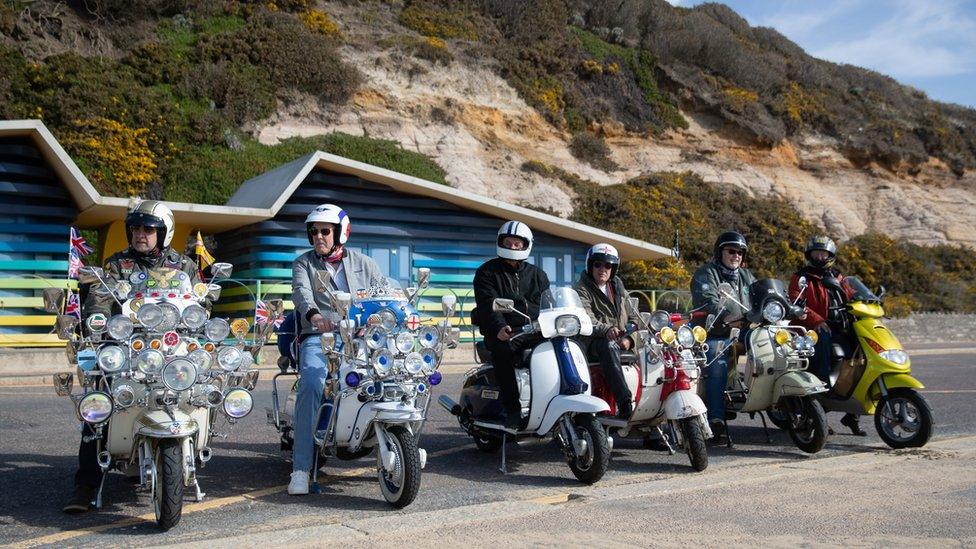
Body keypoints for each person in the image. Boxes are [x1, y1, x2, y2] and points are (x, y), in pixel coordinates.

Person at [65, 200, 201, 513]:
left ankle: (192, 451)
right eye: (136, 228)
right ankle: (86, 483)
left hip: (171, 345)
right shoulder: (117, 265)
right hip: (129, 345)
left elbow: (199, 305)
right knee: (99, 403)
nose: (141, 234)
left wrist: (200, 316)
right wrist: (98, 322)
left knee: (201, 389)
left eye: (149, 229)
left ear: (163, 233)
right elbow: (99, 301)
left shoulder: (184, 266)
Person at [289, 204, 385, 495]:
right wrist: (316, 317)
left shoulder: (365, 263)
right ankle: (301, 469)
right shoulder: (304, 264)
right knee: (313, 382)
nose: (319, 236)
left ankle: (400, 443)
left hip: (361, 338)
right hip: (322, 337)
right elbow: (301, 294)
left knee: (394, 377)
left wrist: (384, 312)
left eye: (325, 231)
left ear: (340, 232)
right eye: (314, 231)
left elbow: (383, 292)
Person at [473, 221, 550, 429]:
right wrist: (499, 327)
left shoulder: (537, 275)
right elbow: (488, 304)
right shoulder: (486, 272)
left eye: (517, 244)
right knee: (503, 351)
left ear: (526, 246)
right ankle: (513, 409)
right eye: (508, 243)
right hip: (503, 331)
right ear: (500, 243)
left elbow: (547, 304)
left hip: (533, 329)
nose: (512, 247)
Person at [789, 235, 864, 436]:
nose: (820, 257)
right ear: (809, 255)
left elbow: (852, 295)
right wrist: (817, 320)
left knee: (860, 356)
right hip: (811, 329)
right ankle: (818, 409)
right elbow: (796, 304)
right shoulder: (802, 277)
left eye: (824, 253)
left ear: (830, 255)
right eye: (816, 253)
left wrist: (867, 304)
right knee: (823, 356)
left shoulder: (839, 277)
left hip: (839, 327)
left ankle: (852, 413)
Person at [690, 231, 756, 443]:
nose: (736, 255)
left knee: (776, 345)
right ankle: (715, 418)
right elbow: (708, 300)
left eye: (739, 252)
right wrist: (728, 316)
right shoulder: (706, 273)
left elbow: (760, 294)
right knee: (716, 363)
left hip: (744, 329)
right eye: (731, 251)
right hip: (714, 331)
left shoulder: (746, 276)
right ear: (721, 252)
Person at [575, 243, 634, 419]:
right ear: (590, 265)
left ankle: (652, 418)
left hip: (621, 340)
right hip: (592, 342)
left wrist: (630, 339)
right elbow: (586, 319)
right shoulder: (581, 289)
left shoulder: (618, 287)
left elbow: (635, 316)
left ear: (613, 269)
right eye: (598, 264)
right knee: (608, 346)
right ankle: (624, 402)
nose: (603, 269)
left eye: (608, 265)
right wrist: (607, 329)